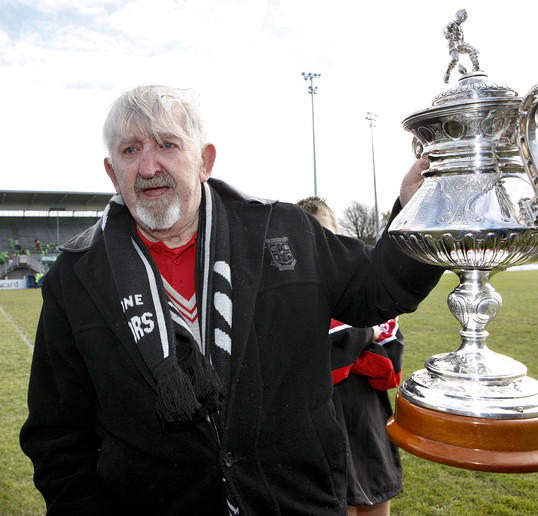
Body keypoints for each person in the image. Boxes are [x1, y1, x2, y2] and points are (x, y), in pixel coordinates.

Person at [20, 85, 442, 516]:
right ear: (112, 172)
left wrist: (418, 210)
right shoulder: (75, 275)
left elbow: (380, 288)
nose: (148, 167)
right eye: (130, 151)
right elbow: (57, 433)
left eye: (167, 144)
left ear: (204, 161)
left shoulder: (284, 231)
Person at [297, 196, 404, 516]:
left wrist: (349, 345)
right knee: (330, 501)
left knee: (376, 494)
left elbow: (389, 366)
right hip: (320, 425)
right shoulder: (292, 295)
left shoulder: (363, 292)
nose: (321, 245)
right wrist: (365, 334)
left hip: (368, 417)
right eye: (310, 237)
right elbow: (312, 364)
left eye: (328, 235)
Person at [442, 8, 480, 83]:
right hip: (453, 44)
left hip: (460, 44)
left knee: (472, 50)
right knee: (455, 59)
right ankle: (447, 73)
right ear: (459, 16)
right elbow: (444, 30)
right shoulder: (452, 24)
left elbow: (462, 39)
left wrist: (468, 46)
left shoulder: (460, 28)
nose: (466, 17)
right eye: (464, 15)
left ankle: (476, 68)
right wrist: (447, 34)